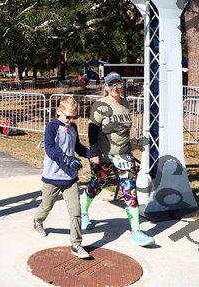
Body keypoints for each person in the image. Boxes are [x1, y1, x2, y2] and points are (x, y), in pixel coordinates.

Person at [80, 72, 155, 247]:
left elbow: (123, 132)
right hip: (104, 155)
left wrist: (131, 148)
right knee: (97, 185)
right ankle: (83, 211)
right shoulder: (100, 105)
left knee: (130, 190)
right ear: (106, 87)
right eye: (111, 84)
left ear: (122, 85)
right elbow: (92, 131)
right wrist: (94, 152)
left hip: (123, 155)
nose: (115, 87)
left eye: (118, 84)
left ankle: (136, 232)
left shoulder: (126, 104)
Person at [33, 96, 94, 259]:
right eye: (69, 117)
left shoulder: (73, 127)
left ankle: (76, 244)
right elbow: (50, 149)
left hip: (70, 178)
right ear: (58, 112)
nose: (71, 120)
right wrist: (66, 159)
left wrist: (90, 154)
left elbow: (78, 147)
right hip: (52, 177)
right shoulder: (52, 127)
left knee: (76, 211)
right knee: (46, 205)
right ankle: (37, 221)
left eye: (75, 117)